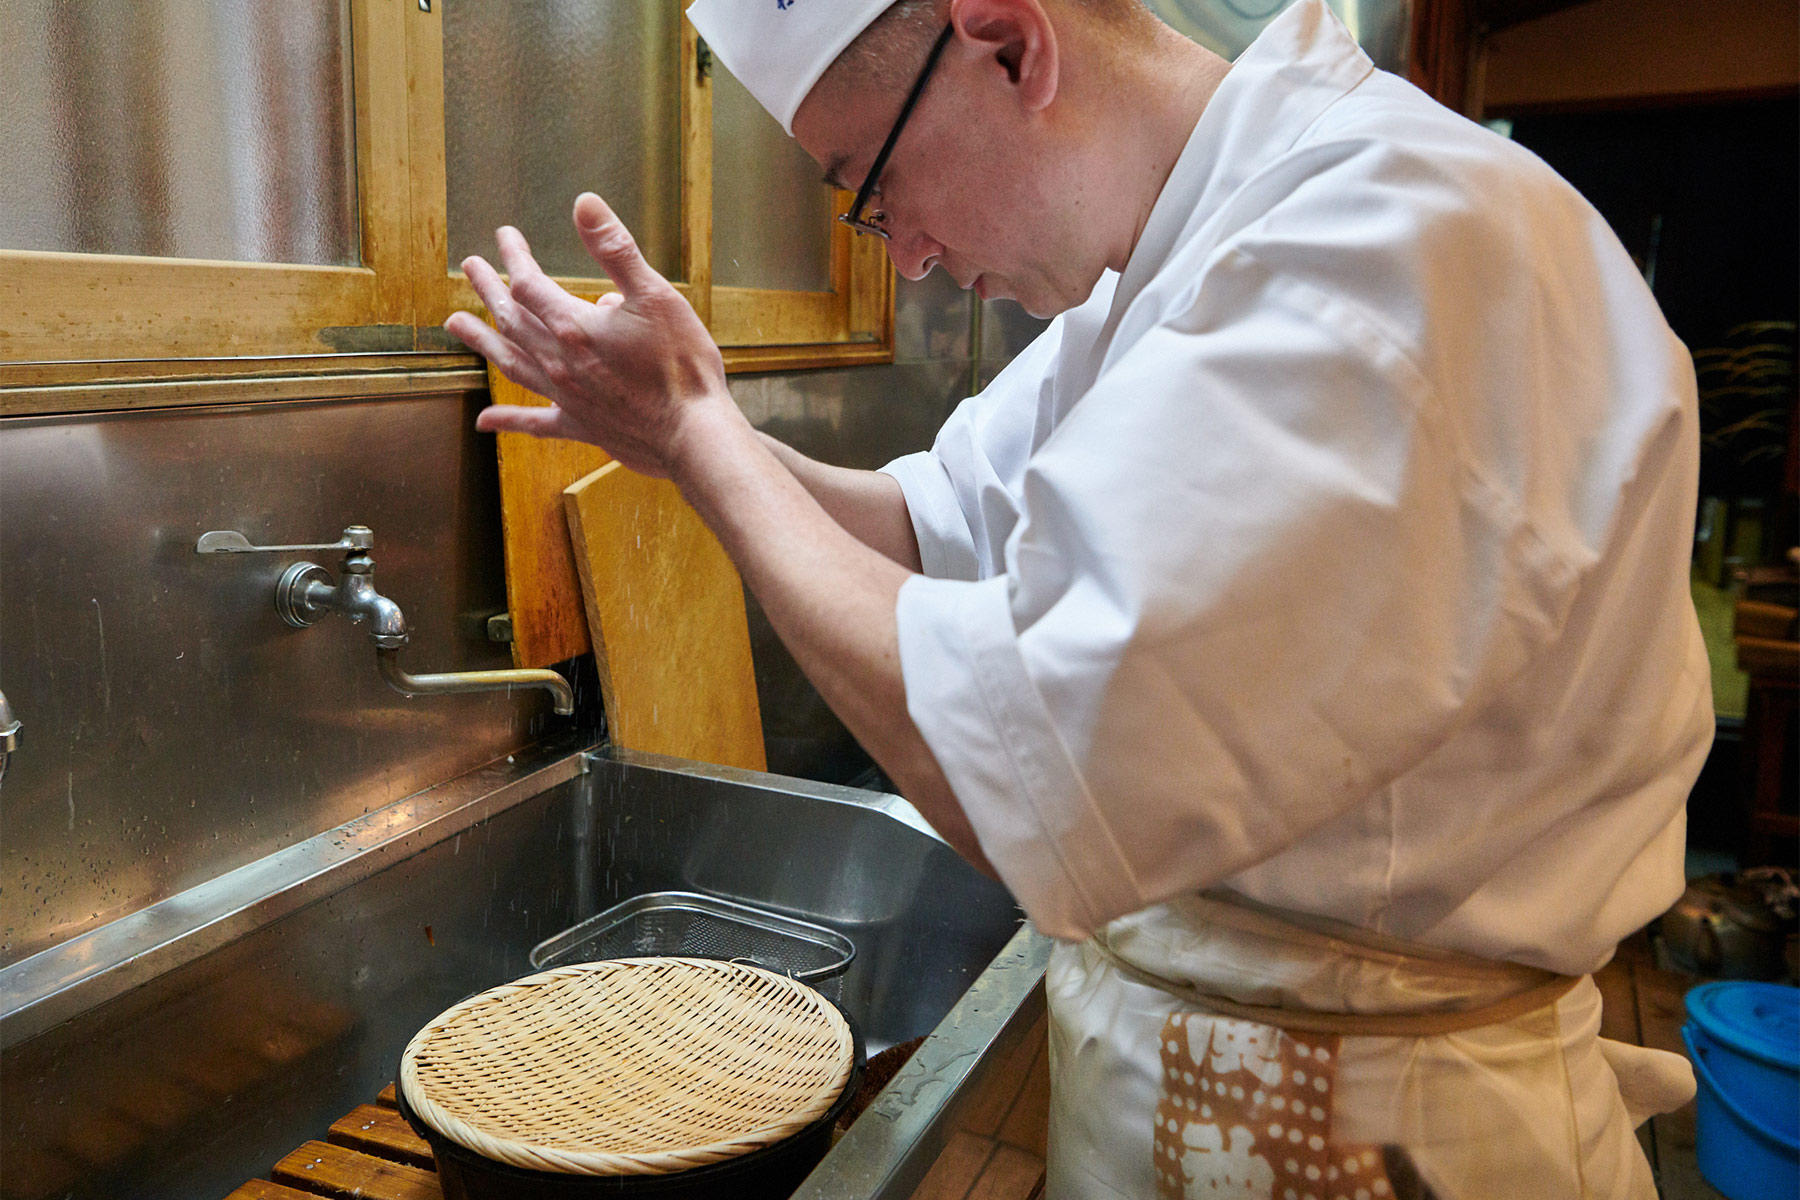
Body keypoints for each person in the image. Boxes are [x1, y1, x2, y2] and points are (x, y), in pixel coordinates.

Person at [445, 1, 1712, 1195]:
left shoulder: (1389, 237)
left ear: (1006, 43)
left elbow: (1018, 752)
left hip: (1392, 1130)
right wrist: (682, 441)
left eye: (874, 189)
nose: (918, 254)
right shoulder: (1172, 269)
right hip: (1216, 1072)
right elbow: (924, 531)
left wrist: (707, 438)